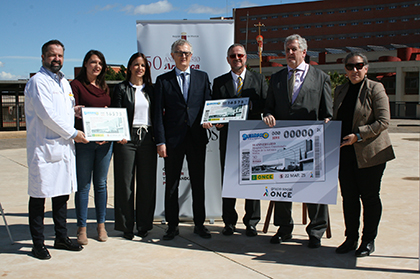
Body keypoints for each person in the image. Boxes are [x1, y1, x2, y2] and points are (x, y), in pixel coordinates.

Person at [263, 34, 333, 248]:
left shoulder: (321, 77)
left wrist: (327, 122)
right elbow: (269, 106)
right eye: (287, 50)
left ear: (304, 51)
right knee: (282, 187)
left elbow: (327, 111)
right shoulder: (276, 78)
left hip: (311, 143)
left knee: (313, 188)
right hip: (282, 143)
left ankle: (316, 231)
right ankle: (284, 229)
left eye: (294, 49)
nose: (290, 53)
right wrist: (267, 115)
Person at [24, 40, 88, 260]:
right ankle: (38, 243)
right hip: (44, 148)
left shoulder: (64, 82)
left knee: (61, 195)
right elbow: (47, 115)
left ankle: (61, 237)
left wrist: (77, 111)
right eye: (52, 55)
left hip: (62, 149)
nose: (57, 59)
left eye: (60, 55)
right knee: (39, 196)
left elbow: (64, 110)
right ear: (43, 57)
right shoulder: (37, 82)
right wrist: (73, 133)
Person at [333, 52, 395, 257]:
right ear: (345, 70)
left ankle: (368, 240)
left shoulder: (375, 88)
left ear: (366, 68)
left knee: (369, 198)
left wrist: (359, 136)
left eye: (359, 66)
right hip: (345, 153)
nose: (354, 70)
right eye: (350, 67)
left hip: (370, 154)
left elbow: (384, 121)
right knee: (349, 198)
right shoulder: (341, 90)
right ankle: (351, 238)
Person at [154, 39, 211, 240]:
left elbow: (209, 105)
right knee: (171, 184)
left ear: (191, 55)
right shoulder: (163, 81)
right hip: (172, 141)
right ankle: (172, 226)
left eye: (186, 52)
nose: (183, 56)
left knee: (198, 183)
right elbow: (157, 115)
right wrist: (160, 141)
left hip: (196, 138)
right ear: (172, 56)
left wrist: (210, 120)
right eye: (179, 52)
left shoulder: (202, 78)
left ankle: (200, 224)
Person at [212, 43, 267, 236]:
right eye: (233, 56)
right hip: (228, 138)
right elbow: (214, 108)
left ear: (246, 58)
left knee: (252, 180)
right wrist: (216, 121)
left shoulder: (259, 79)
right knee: (229, 181)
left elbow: (266, 103)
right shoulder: (219, 82)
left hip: (253, 138)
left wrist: (251, 105)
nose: (237, 58)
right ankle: (229, 222)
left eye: (240, 55)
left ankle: (251, 222)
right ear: (228, 59)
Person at [111, 53, 157, 240]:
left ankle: (144, 225)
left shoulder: (151, 90)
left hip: (147, 139)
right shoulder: (121, 88)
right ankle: (126, 226)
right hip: (126, 140)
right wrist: (120, 134)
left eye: (143, 65)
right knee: (125, 184)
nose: (140, 68)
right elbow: (116, 113)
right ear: (129, 67)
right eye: (136, 65)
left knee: (147, 184)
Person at [70, 50, 113, 245]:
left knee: (101, 185)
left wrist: (107, 131)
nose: (97, 66)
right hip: (85, 143)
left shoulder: (104, 86)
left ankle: (101, 226)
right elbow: (73, 110)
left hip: (105, 144)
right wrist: (95, 113)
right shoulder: (76, 85)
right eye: (93, 62)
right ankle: (81, 228)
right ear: (85, 64)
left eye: (100, 63)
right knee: (84, 186)